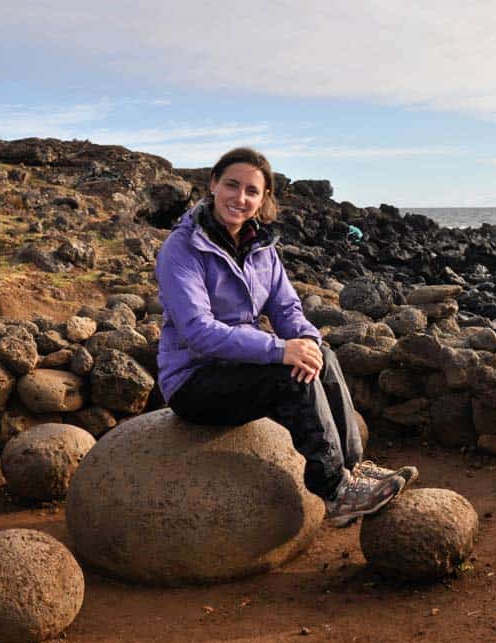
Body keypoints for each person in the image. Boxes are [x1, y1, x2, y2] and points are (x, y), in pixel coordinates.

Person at [155, 147, 416, 526]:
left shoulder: (262, 247)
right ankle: (336, 491)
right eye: (232, 185)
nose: (239, 198)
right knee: (288, 376)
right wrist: (279, 349)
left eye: (251, 191)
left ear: (263, 199)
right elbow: (198, 332)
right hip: (195, 381)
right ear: (213, 184)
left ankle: (354, 471)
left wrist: (307, 341)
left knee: (320, 356)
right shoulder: (181, 249)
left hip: (241, 367)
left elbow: (287, 309)